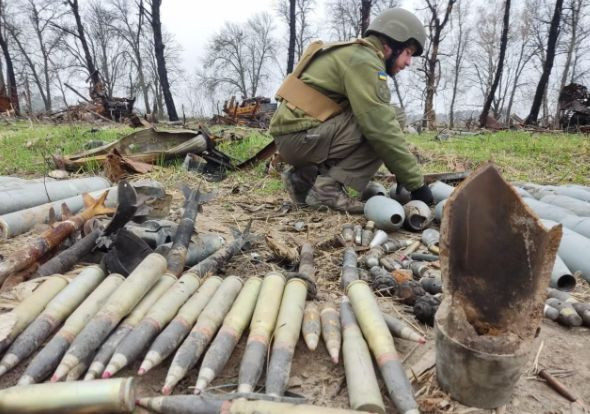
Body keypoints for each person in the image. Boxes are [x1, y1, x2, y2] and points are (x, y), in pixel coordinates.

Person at [268, 7, 433, 213]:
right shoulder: (364, 61)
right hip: (302, 139)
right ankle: (327, 191)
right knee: (390, 119)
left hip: (295, 139)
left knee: (381, 117)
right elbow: (382, 130)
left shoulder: (353, 52)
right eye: (408, 53)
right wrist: (416, 185)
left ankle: (302, 179)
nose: (408, 62)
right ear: (391, 43)